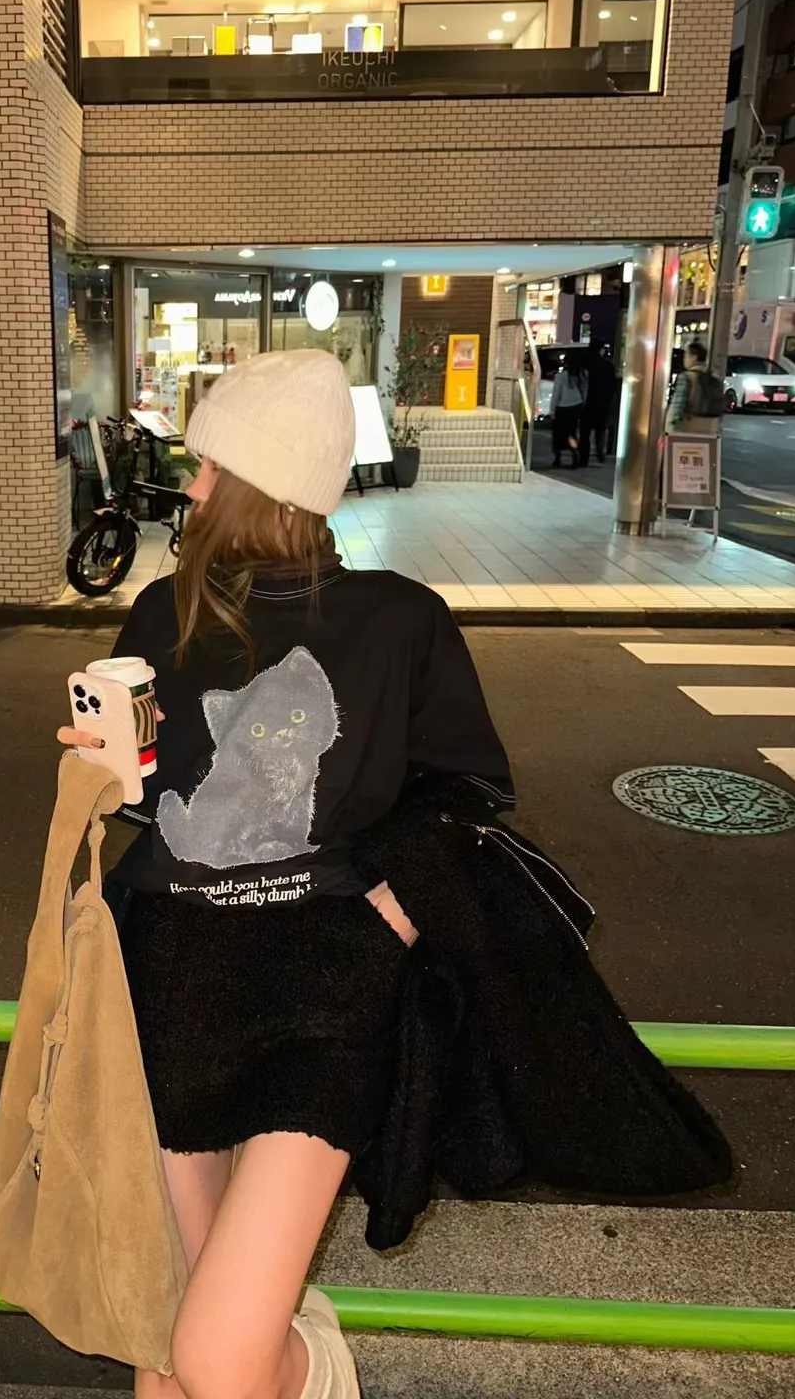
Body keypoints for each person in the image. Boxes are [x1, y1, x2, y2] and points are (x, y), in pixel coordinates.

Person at [61, 348, 512, 1399]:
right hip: (173, 982)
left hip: (324, 990)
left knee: (218, 1355)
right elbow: (147, 804)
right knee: (167, 1350)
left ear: (254, 482)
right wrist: (102, 773)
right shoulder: (163, 613)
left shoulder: (399, 619)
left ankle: (312, 1360)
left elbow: (467, 790)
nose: (194, 487)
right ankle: (276, 1339)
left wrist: (395, 913)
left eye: (209, 466)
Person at [666, 338, 721, 434]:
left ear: (694, 357)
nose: (684, 360)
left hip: (687, 428)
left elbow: (677, 406)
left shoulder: (686, 377)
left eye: (686, 356)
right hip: (709, 430)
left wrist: (670, 427)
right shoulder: (715, 378)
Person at [578, 345, 618, 467]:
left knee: (585, 433)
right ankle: (600, 454)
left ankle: (583, 458)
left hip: (587, 402)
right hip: (603, 402)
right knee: (600, 431)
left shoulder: (585, 363)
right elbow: (613, 385)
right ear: (601, 350)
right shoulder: (608, 365)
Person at [549, 346, 588, 468]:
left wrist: (552, 410)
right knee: (571, 432)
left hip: (562, 407)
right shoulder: (583, 374)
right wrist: (581, 404)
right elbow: (585, 392)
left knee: (559, 434)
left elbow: (556, 394)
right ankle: (574, 452)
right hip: (576, 406)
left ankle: (558, 457)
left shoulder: (562, 376)